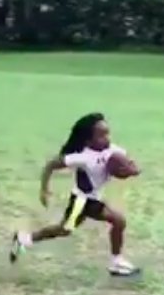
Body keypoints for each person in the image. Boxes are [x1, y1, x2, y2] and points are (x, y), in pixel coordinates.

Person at [10, 112, 140, 277]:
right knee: (117, 221)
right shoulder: (82, 157)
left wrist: (132, 170)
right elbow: (51, 165)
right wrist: (44, 189)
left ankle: (23, 239)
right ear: (88, 141)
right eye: (101, 136)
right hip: (81, 201)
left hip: (94, 199)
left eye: (107, 133)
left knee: (64, 230)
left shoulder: (113, 151)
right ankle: (116, 262)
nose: (107, 139)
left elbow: (128, 163)